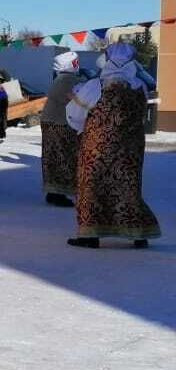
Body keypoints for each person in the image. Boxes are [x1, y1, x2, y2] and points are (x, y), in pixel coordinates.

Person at [66, 42, 160, 249]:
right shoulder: (140, 86)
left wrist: (85, 128)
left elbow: (75, 114)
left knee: (92, 187)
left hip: (96, 148)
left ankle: (90, 236)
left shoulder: (94, 86)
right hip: (129, 147)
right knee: (127, 186)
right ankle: (138, 233)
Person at [41, 52, 81, 208]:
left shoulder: (60, 79)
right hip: (60, 123)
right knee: (61, 157)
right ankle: (58, 193)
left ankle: (53, 192)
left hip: (52, 121)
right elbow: (77, 99)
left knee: (52, 157)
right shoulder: (68, 80)